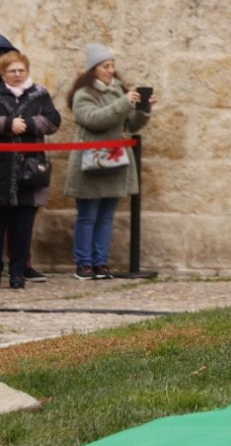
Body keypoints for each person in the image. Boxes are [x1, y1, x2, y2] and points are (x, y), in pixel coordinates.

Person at [63, 44, 152, 280]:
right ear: (94, 69)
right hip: (89, 165)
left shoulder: (117, 92)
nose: (111, 70)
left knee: (106, 217)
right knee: (87, 215)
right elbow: (95, 119)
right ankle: (84, 264)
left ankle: (100, 263)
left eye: (112, 66)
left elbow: (129, 125)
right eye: (106, 66)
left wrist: (142, 110)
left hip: (114, 162)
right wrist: (125, 102)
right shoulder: (84, 95)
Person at [1, 50, 61, 288]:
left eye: (21, 70)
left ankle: (18, 273)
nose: (17, 75)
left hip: (29, 170)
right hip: (3, 170)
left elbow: (53, 120)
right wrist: (6, 124)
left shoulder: (39, 94)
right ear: (3, 73)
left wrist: (26, 125)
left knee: (23, 226)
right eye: (12, 71)